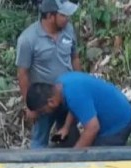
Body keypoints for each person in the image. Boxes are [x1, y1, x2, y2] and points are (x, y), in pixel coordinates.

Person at [15, 0, 82, 148]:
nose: (68, 19)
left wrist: (80, 84)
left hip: (67, 96)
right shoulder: (27, 39)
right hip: (44, 100)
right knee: (40, 139)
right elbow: (23, 74)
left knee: (68, 135)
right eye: (64, 15)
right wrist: (30, 106)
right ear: (51, 16)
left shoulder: (69, 30)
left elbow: (74, 57)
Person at [25, 72, 131, 148]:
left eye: (43, 111)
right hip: (114, 112)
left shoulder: (75, 95)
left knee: (98, 160)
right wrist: (66, 127)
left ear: (51, 102)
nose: (44, 114)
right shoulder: (61, 84)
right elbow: (74, 107)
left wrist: (74, 158)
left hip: (119, 123)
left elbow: (92, 128)